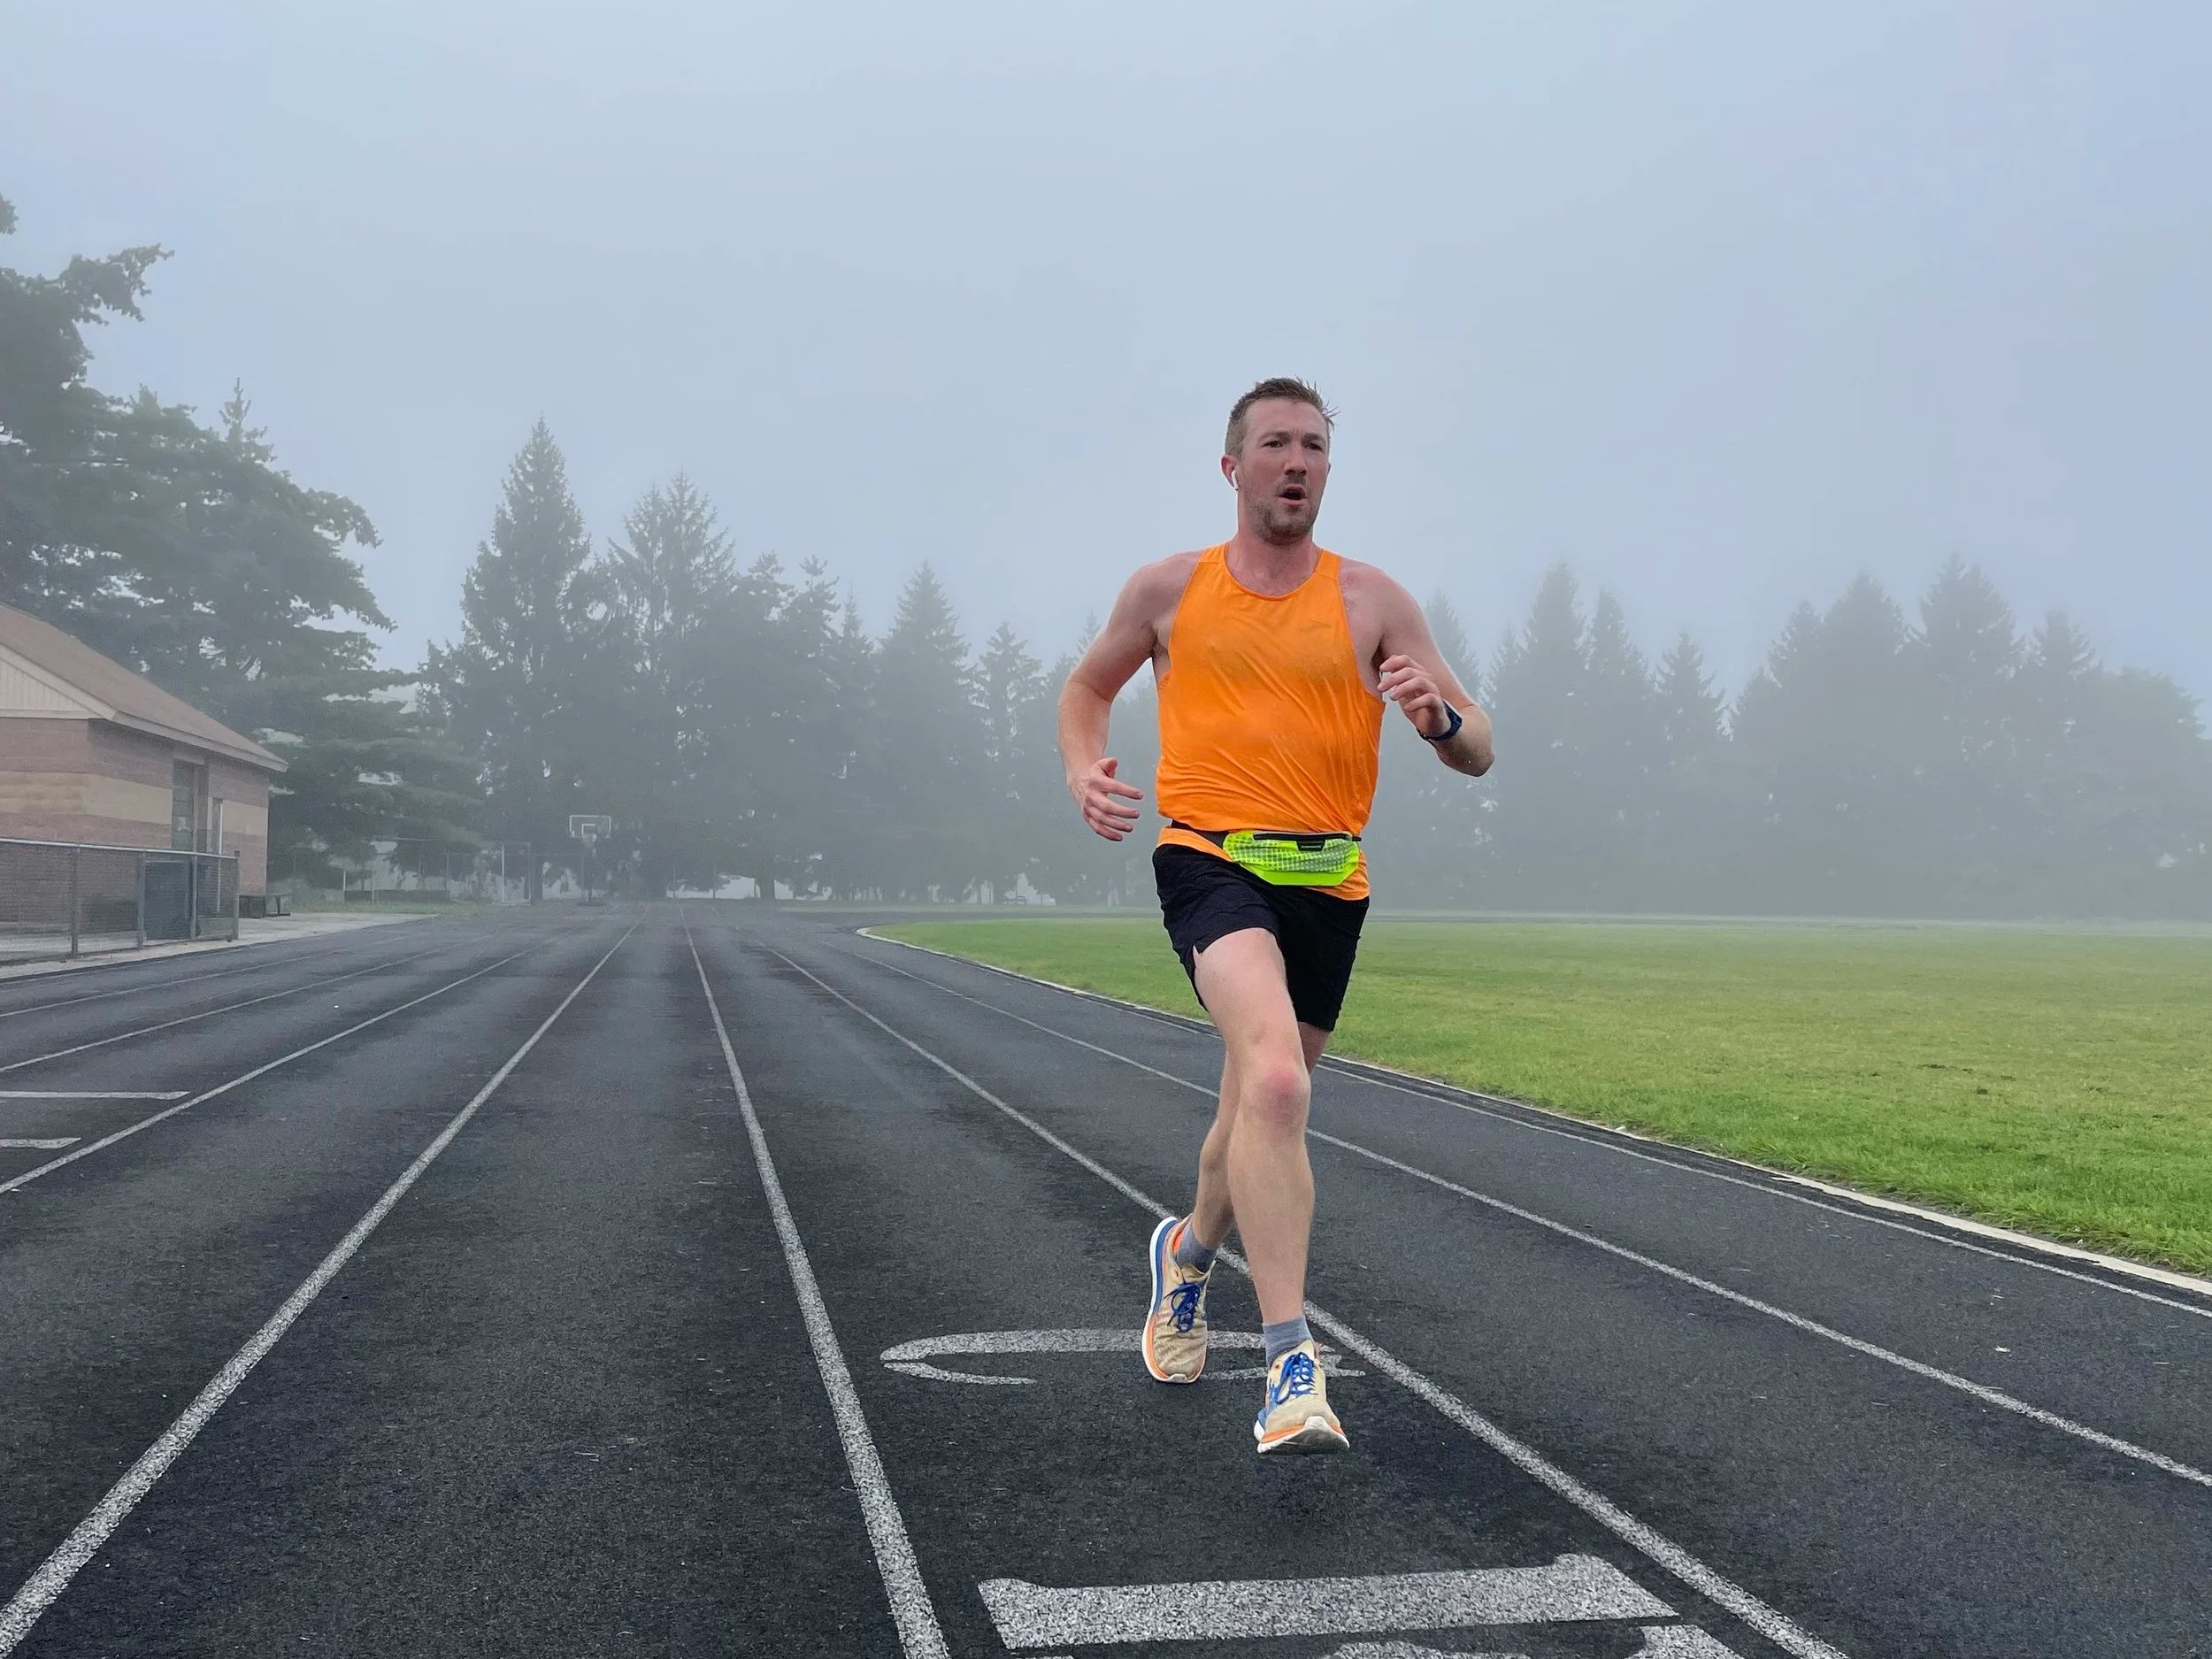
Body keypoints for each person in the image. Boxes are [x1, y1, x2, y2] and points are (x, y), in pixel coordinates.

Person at [1058, 376, 1494, 1455]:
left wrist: (1437, 718)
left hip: (1328, 882)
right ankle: (1291, 1365)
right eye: (1274, 445)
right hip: (1207, 861)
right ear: (1231, 466)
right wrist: (1084, 770)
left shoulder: (1373, 601)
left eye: (1312, 447)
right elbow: (1084, 691)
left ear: (1327, 471)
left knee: (1251, 1117)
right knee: (1278, 1083)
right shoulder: (1169, 590)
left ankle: (1187, 1259)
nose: (1295, 462)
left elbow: (1478, 744)